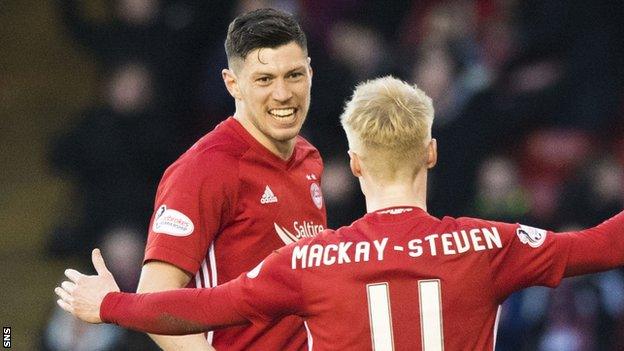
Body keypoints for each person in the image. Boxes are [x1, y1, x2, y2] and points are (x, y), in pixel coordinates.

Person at [55, 76, 624, 350]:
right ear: (430, 151)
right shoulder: (486, 244)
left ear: (353, 164)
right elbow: (601, 246)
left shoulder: (308, 260)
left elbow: (200, 308)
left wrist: (108, 304)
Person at [122, 8, 327, 351]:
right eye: (264, 79)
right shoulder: (205, 169)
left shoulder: (308, 159)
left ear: (310, 73)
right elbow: (152, 303)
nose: (283, 94)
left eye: (293, 75)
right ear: (233, 84)